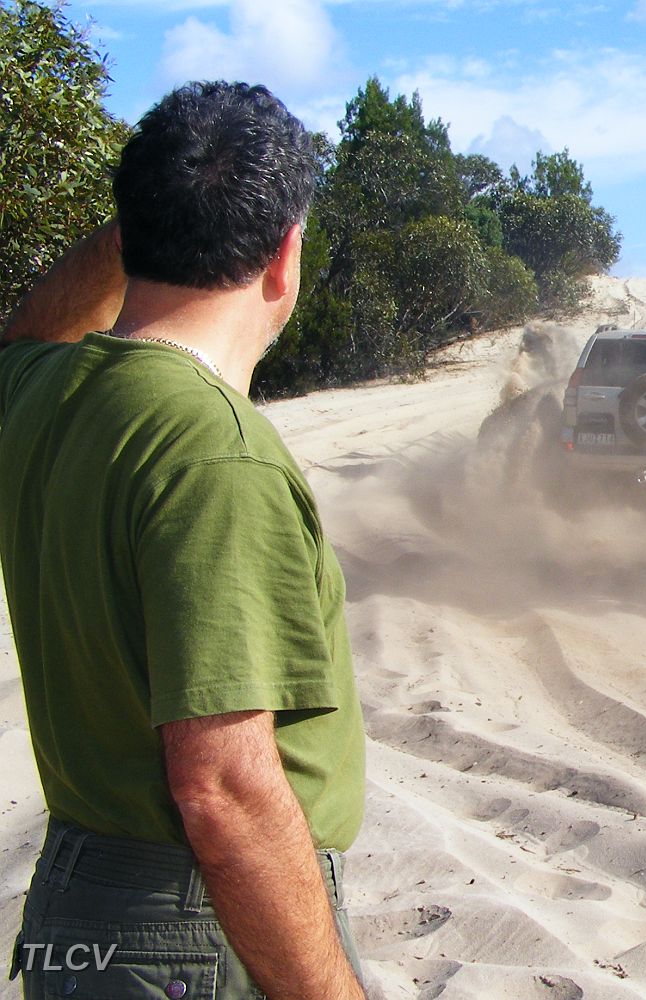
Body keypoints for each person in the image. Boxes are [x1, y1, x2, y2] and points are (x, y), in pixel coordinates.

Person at [0, 82, 366, 1000]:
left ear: (128, 235)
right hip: (194, 931)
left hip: (73, 908)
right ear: (286, 255)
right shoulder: (217, 454)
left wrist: (144, 225)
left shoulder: (39, 391)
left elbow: (27, 332)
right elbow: (222, 789)